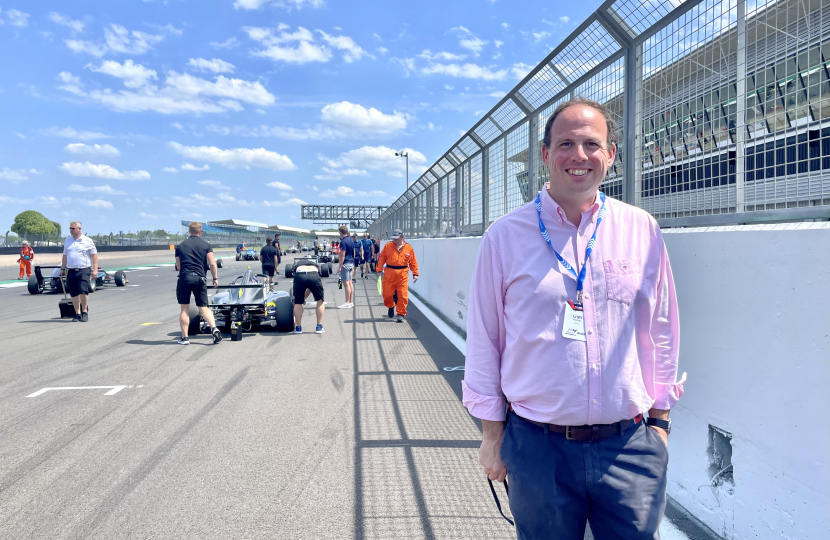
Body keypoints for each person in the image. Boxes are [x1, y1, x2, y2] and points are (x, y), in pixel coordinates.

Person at [463, 98, 685, 539]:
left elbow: (662, 330)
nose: (579, 156)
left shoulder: (642, 229)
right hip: (538, 447)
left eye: (591, 144)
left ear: (610, 155)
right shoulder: (504, 238)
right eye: (566, 143)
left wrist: (659, 424)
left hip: (629, 447)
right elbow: (485, 340)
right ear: (545, 154)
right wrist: (492, 436)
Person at [175, 221, 222, 346]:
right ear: (200, 231)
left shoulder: (180, 246)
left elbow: (178, 266)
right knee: (203, 307)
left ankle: (185, 338)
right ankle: (214, 329)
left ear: (189, 231)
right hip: (200, 278)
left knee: (184, 309)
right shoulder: (206, 245)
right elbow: (212, 263)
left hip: (185, 278)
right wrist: (215, 278)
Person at [377, 229, 419, 323]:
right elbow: (382, 257)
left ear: (402, 237)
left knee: (403, 295)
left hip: (403, 274)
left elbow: (413, 262)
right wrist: (379, 269)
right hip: (389, 274)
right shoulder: (388, 246)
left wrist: (415, 273)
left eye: (396, 238)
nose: (394, 240)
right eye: (393, 238)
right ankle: (391, 306)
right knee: (387, 294)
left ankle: (401, 313)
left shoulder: (408, 248)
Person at [60, 221, 98, 322]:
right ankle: (77, 313)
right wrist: (62, 269)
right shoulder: (67, 241)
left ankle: (84, 311)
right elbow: (65, 256)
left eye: (72, 228)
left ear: (79, 229)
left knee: (83, 290)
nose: (70, 230)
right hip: (71, 270)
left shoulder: (87, 241)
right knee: (73, 292)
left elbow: (94, 256)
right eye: (70, 228)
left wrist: (95, 270)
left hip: (84, 269)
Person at [291, 255, 325, 334]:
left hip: (300, 275)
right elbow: (310, 288)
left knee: (298, 302)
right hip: (314, 275)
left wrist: (301, 299)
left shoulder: (298, 263)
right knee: (320, 301)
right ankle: (319, 327)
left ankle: (298, 328)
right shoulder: (314, 264)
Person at [336, 225, 357, 309]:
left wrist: (339, 267)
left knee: (346, 284)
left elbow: (342, 255)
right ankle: (351, 302)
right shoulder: (351, 240)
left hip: (345, 264)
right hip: (351, 262)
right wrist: (352, 260)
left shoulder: (343, 242)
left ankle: (347, 302)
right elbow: (354, 252)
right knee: (350, 283)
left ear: (341, 232)